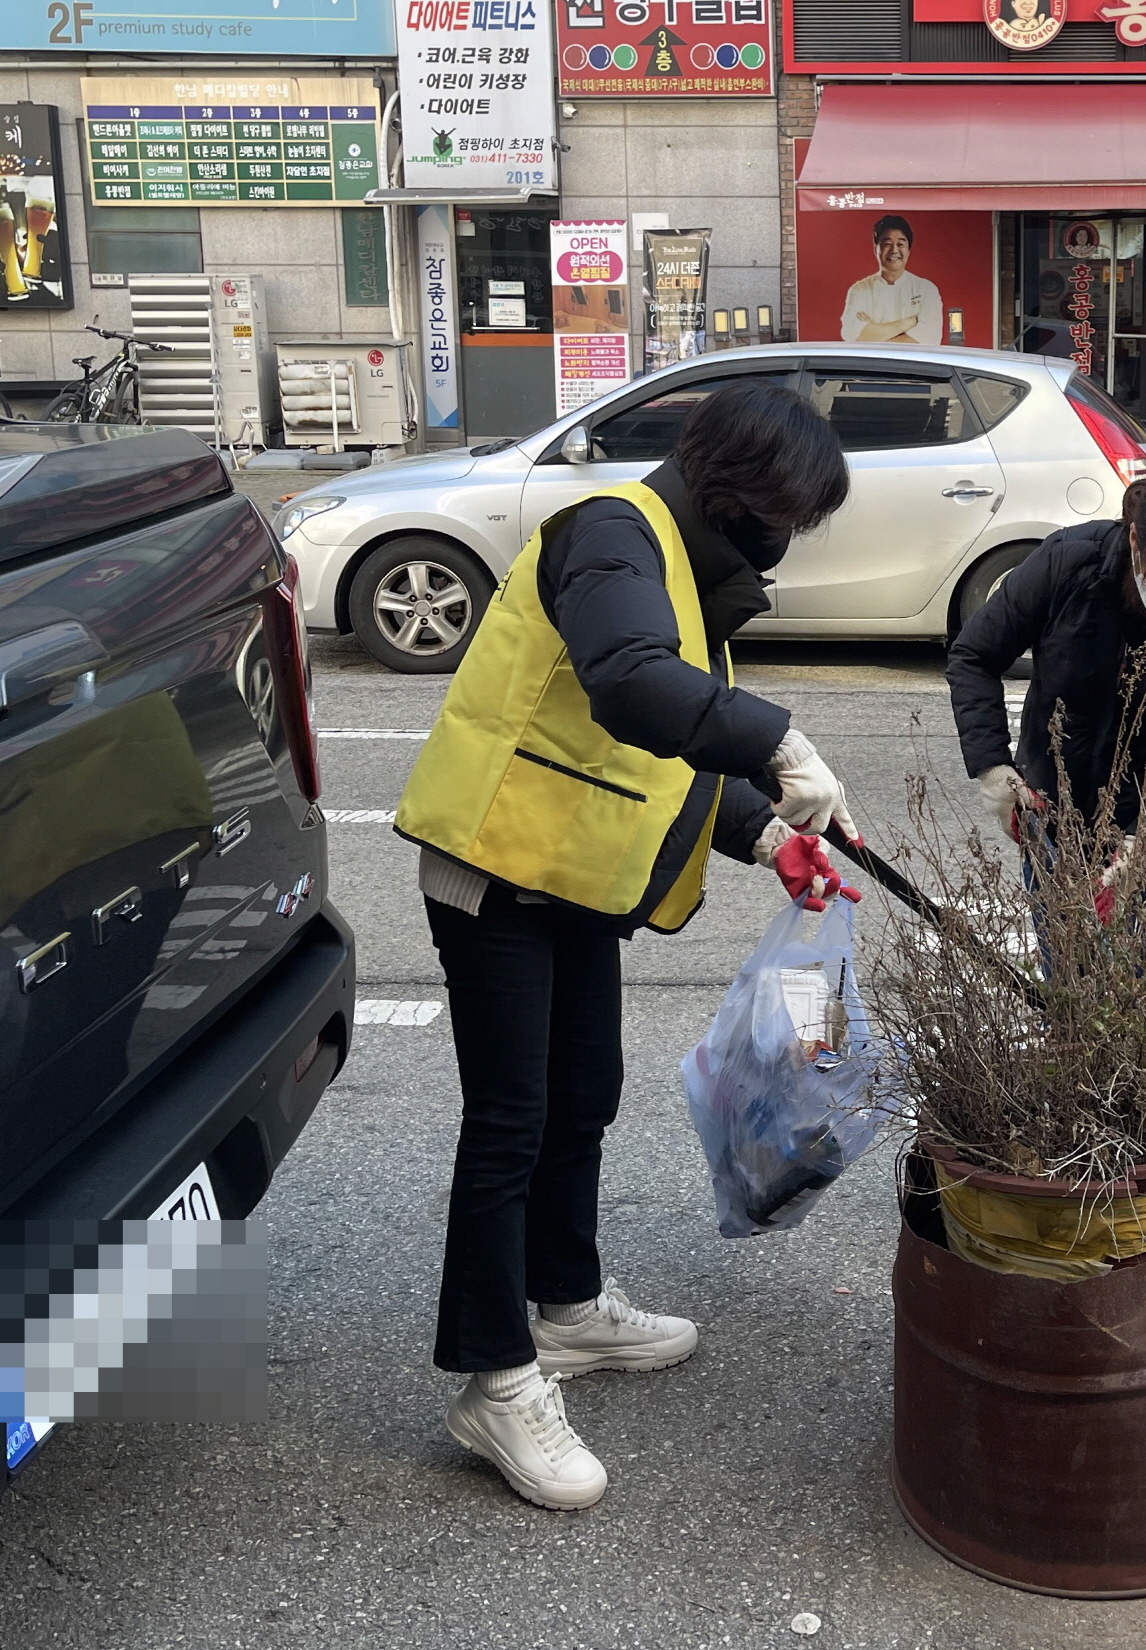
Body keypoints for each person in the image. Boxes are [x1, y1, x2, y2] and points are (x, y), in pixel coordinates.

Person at [394, 381, 863, 1511]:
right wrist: (780, 740)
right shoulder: (612, 532)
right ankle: (495, 1379)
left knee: (583, 1096)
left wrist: (766, 834)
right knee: (510, 1121)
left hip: (570, 875)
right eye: (785, 515)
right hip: (492, 864)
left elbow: (658, 757)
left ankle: (564, 1309)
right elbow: (632, 686)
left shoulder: (677, 567)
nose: (785, 539)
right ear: (737, 488)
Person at [945, 466, 1146, 903]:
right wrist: (993, 766)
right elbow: (975, 656)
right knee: (1062, 942)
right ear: (1134, 540)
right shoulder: (1069, 563)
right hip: (1056, 812)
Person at [839, 216, 943, 345]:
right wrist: (909, 322)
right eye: (887, 244)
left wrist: (873, 335)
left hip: (912, 359)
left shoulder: (926, 289)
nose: (894, 250)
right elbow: (853, 336)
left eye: (900, 244)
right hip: (872, 359)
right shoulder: (860, 290)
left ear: (908, 251)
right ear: (876, 249)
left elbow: (930, 339)